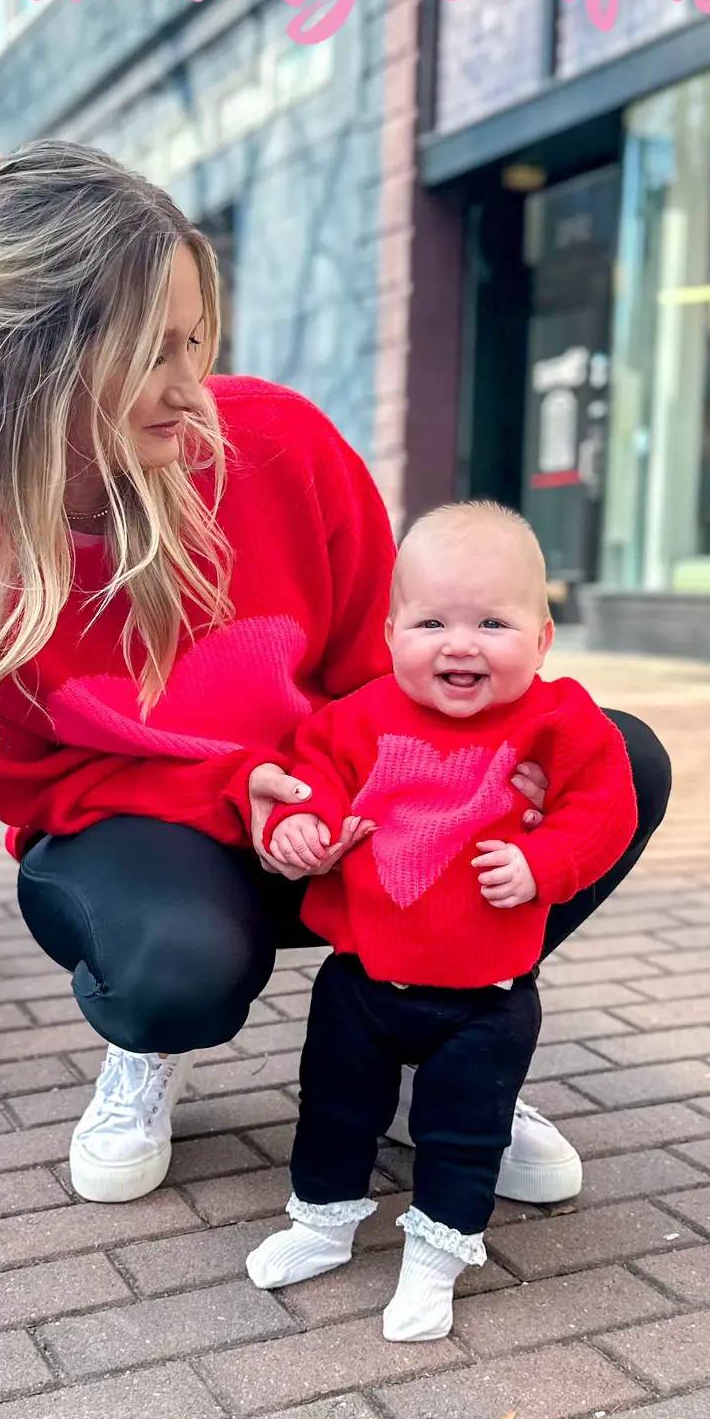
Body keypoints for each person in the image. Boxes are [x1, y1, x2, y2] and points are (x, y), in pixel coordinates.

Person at [0, 136, 671, 1207]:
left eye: (195, 341)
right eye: (151, 351)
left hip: (340, 806)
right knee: (173, 974)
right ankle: (145, 1050)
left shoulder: (279, 443)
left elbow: (384, 678)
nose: (189, 388)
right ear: (36, 355)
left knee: (611, 761)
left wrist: (429, 775)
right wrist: (237, 792)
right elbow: (34, 786)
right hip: (151, 839)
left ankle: (451, 1032)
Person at [247, 501, 635, 1339]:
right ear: (390, 635)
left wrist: (545, 863)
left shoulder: (559, 720)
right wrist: (298, 828)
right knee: (334, 1108)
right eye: (431, 622)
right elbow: (308, 776)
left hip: (485, 997)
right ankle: (322, 1222)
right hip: (362, 979)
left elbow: (606, 805)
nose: (460, 644)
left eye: (492, 621)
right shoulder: (358, 718)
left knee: (465, 1133)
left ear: (542, 639)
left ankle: (438, 1257)